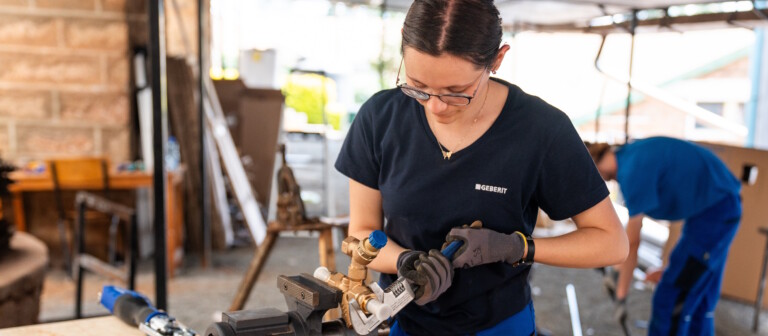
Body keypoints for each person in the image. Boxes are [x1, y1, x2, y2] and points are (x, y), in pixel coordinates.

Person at [335, 0, 628, 334]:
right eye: (418, 86)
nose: (435, 106)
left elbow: (611, 243)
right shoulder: (379, 118)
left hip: (498, 324)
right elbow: (361, 232)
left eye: (456, 92)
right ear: (403, 42)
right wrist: (404, 262)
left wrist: (517, 247)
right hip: (406, 321)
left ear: (497, 60)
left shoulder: (541, 130)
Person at [585, 137, 741, 336]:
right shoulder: (628, 154)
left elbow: (630, 243)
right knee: (700, 300)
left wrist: (621, 296)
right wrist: (616, 274)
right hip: (716, 205)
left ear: (592, 166)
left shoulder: (631, 173)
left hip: (714, 213)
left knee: (670, 298)